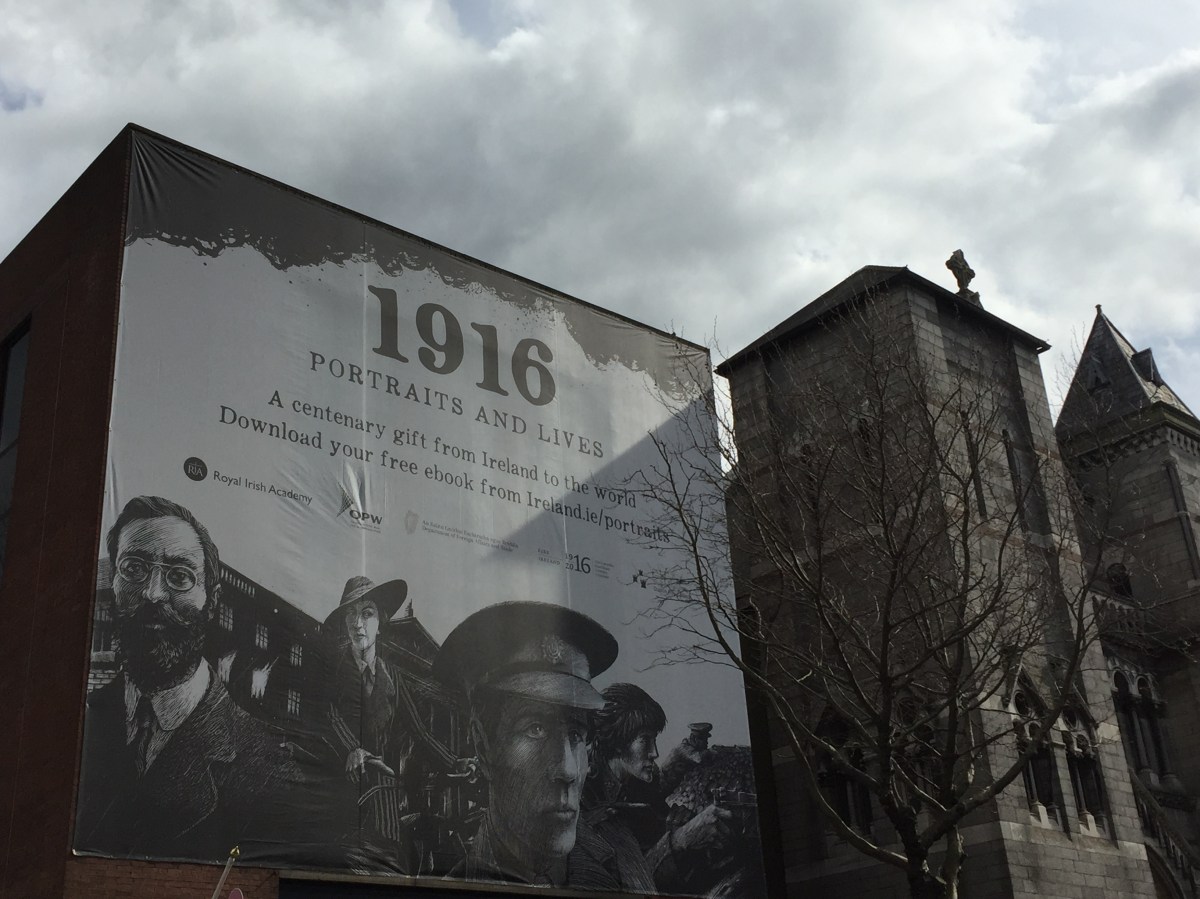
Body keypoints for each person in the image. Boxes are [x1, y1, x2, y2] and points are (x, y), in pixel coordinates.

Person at [75, 495, 298, 862]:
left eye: (179, 576)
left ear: (212, 601)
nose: (152, 593)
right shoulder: (75, 723)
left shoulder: (270, 765)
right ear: (113, 581)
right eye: (133, 569)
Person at [433, 601, 636, 890]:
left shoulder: (623, 863)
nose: (568, 770)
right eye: (535, 729)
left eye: (576, 733)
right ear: (483, 746)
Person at [319, 575, 458, 872]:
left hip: (385, 807)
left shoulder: (392, 676)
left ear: (380, 622)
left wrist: (456, 762)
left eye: (367, 613)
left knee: (388, 871)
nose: (358, 624)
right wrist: (353, 749)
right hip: (343, 802)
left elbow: (420, 731)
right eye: (351, 615)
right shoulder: (332, 668)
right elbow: (327, 715)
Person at [584, 684, 732, 892]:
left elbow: (652, 789)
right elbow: (623, 883)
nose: (655, 752)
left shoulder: (632, 774)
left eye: (654, 739)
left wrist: (679, 759)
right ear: (617, 742)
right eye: (645, 740)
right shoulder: (585, 795)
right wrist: (681, 840)